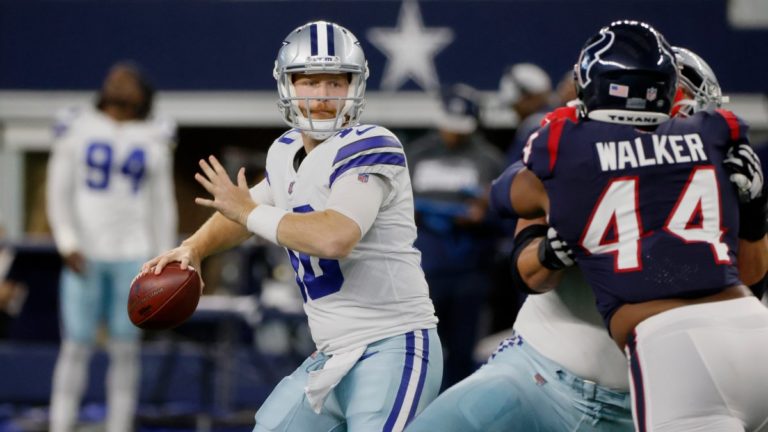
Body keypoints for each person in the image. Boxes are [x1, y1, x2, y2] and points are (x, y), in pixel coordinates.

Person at [407, 40, 767, 432]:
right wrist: (551, 252)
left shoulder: (716, 175)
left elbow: (749, 285)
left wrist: (753, 210)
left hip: (658, 394)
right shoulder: (573, 156)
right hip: (541, 371)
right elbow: (527, 270)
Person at [143, 21, 442, 432]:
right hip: (331, 353)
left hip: (393, 345)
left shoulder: (372, 145)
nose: (321, 95)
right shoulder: (284, 151)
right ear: (287, 86)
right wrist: (193, 248)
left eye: (336, 83)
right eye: (309, 81)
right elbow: (246, 213)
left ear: (356, 86)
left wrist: (246, 211)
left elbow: (335, 236)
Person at [46, 61, 178, 432]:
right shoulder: (77, 125)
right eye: (113, 77)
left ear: (143, 94)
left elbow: (161, 202)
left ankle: (119, 427)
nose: (118, 79)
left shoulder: (154, 134)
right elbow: (59, 189)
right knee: (75, 346)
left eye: (129, 79)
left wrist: (162, 254)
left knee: (125, 349)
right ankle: (61, 424)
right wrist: (66, 240)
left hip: (133, 254)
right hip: (84, 252)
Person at [406, 83, 505, 389]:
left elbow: (504, 213)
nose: (455, 134)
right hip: (423, 271)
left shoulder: (489, 159)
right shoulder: (417, 154)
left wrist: (482, 214)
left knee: (463, 352)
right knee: (418, 352)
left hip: (469, 271)